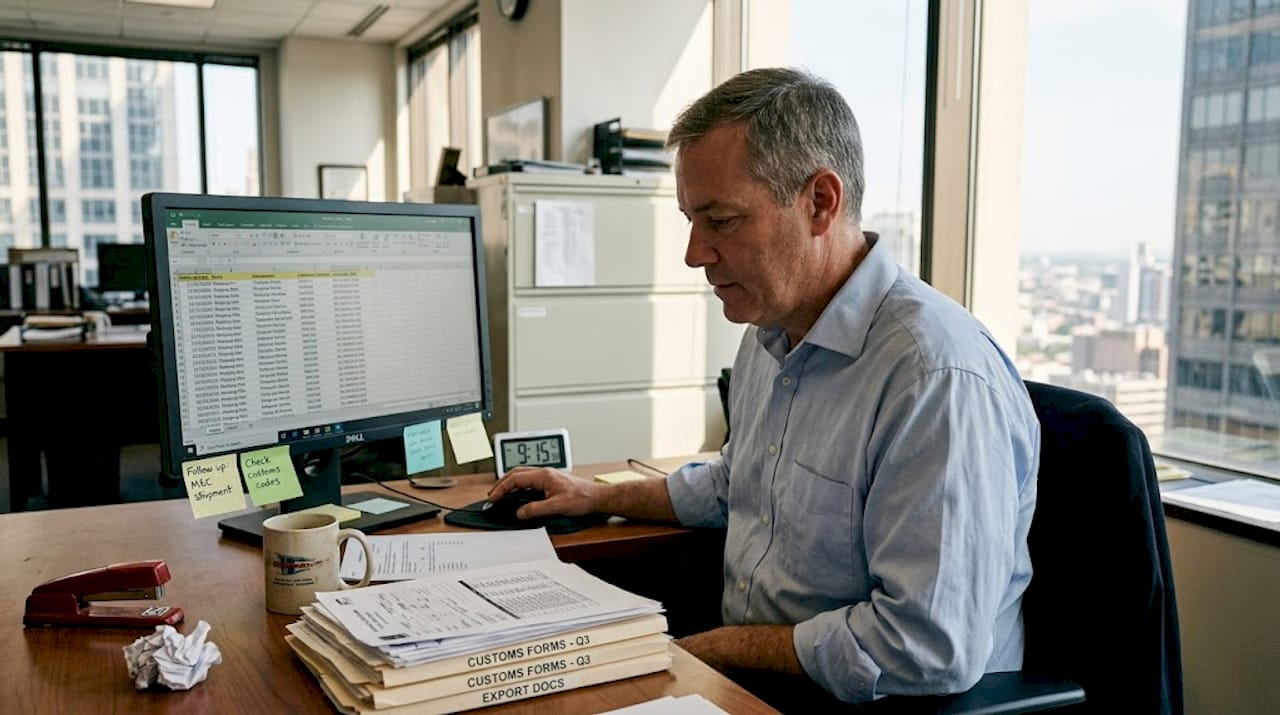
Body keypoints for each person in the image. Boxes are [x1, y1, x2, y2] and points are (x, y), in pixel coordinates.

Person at [487, 67, 1040, 705]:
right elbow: (738, 482)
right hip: (764, 678)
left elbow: (927, 646)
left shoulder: (935, 378)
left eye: (720, 221)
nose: (695, 254)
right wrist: (591, 495)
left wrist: (716, 648)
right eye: (692, 221)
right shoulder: (772, 333)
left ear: (820, 203)